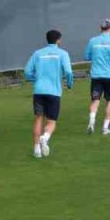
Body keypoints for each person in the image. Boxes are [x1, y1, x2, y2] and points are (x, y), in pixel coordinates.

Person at [25, 29, 74, 158]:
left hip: (39, 91)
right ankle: (45, 138)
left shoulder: (37, 53)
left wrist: (36, 80)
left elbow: (27, 72)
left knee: (38, 118)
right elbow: (68, 72)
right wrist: (69, 83)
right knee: (51, 121)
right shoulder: (63, 53)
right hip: (54, 92)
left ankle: (36, 150)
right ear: (58, 40)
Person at [84, 19, 110, 135]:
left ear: (100, 28)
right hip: (109, 75)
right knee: (109, 101)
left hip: (96, 75)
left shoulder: (93, 41)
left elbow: (87, 56)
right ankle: (105, 128)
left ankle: (92, 120)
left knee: (95, 100)